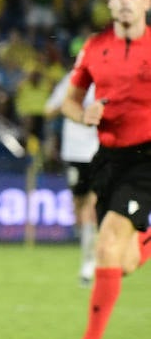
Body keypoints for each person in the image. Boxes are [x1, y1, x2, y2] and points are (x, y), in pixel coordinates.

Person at [48, 0, 151, 339]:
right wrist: (83, 113)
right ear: (109, 3)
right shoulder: (94, 49)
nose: (124, 0)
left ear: (146, 2)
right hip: (108, 157)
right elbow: (71, 102)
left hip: (147, 158)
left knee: (105, 242)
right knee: (121, 260)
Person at [45, 72, 100, 286]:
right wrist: (69, 107)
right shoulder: (70, 81)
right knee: (78, 205)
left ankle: (88, 264)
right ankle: (85, 238)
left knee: (91, 208)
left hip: (98, 151)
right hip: (74, 153)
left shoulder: (108, 79)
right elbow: (48, 110)